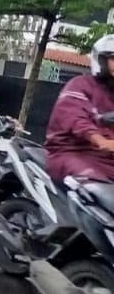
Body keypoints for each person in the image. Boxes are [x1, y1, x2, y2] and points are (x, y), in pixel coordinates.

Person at [45, 34, 114, 184]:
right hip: (71, 153)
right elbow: (75, 119)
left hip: (107, 161)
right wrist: (100, 140)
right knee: (96, 189)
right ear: (101, 60)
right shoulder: (79, 85)